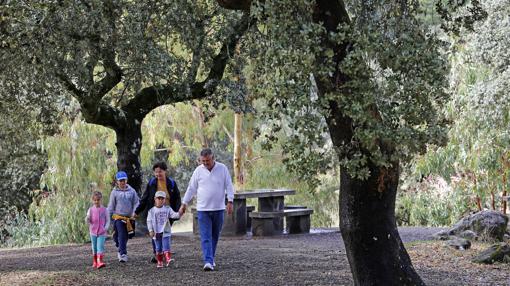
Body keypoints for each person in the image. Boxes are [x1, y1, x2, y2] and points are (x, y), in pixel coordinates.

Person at [179, 148, 234, 271]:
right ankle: (208, 261)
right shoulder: (198, 171)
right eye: (202, 161)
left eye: (207, 161)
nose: (205, 163)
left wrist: (230, 201)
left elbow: (229, 185)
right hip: (203, 209)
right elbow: (191, 188)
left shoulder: (222, 168)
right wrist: (184, 203)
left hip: (219, 208)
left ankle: (211, 258)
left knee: (215, 235)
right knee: (205, 236)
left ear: (213, 158)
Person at [135, 161, 181, 263]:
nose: (158, 174)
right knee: (155, 233)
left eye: (160, 172)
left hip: (168, 212)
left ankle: (165, 252)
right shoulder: (152, 183)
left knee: (166, 233)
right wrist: (137, 211)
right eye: (156, 172)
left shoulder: (171, 183)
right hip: (155, 212)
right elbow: (145, 197)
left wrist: (177, 211)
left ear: (165, 171)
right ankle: (157, 254)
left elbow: (177, 198)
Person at [107, 171, 139, 263]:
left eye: (124, 180)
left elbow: (136, 203)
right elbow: (111, 206)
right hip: (118, 217)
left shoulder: (132, 191)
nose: (122, 182)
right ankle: (123, 254)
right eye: (120, 181)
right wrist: (107, 217)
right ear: (117, 182)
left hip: (129, 218)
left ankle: (119, 247)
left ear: (126, 180)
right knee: (122, 234)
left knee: (126, 236)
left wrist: (134, 213)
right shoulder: (114, 192)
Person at [147, 191, 181, 268]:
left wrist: (180, 213)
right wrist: (150, 230)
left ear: (165, 200)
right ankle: (160, 262)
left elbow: (174, 215)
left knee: (166, 247)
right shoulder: (151, 211)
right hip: (156, 232)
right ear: (155, 199)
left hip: (165, 231)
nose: (160, 200)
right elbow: (149, 221)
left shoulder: (167, 209)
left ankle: (168, 260)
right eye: (159, 198)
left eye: (162, 199)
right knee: (158, 248)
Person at [85, 191, 110, 269]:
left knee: (100, 246)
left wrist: (105, 228)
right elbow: (88, 218)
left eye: (98, 200)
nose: (96, 202)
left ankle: (100, 261)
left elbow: (108, 220)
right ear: (92, 200)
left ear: (101, 200)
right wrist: (87, 219)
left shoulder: (105, 210)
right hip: (93, 231)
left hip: (102, 232)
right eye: (95, 200)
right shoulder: (91, 210)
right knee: (94, 247)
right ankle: (95, 261)